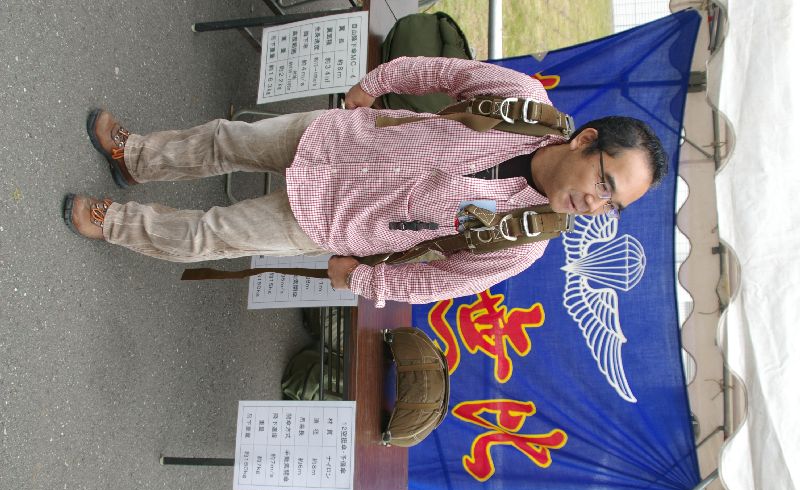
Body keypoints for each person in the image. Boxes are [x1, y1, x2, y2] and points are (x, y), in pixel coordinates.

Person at [63, 56, 666, 308]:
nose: (595, 202)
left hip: (340, 220)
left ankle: (114, 222)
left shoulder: (524, 243)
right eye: (605, 181)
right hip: (343, 138)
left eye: (611, 205)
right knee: (227, 140)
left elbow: (439, 282)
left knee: (212, 234)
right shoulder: (523, 101)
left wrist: (365, 278)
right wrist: (377, 84)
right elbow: (444, 73)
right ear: (586, 140)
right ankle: (136, 156)